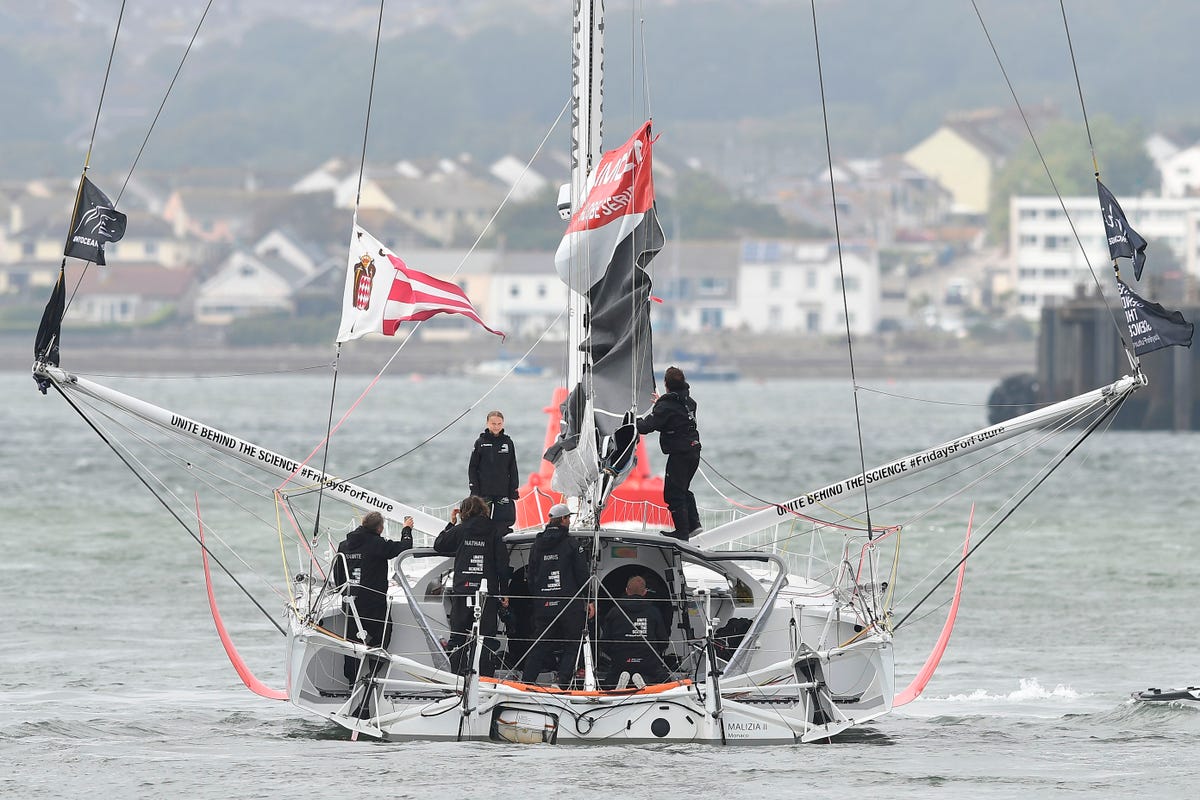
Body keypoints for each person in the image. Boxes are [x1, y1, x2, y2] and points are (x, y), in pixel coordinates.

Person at [332, 512, 414, 682]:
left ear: (362, 523)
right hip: (373, 603)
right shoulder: (377, 544)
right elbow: (405, 547)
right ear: (379, 528)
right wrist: (407, 529)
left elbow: (338, 572)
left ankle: (351, 680)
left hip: (350, 601)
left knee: (352, 642)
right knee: (383, 634)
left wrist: (343, 593)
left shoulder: (344, 545)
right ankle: (374, 674)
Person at [433, 495, 510, 677]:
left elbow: (439, 545)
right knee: (485, 639)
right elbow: (502, 564)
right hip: (486, 594)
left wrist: (451, 524)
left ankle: (456, 680)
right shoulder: (494, 531)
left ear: (464, 512)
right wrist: (504, 592)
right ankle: (483, 680)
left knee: (458, 637)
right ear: (483, 509)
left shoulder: (461, 530)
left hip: (462, 590)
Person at [520, 503, 594, 688]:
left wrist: (538, 598)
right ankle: (562, 682)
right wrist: (590, 599)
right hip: (569, 604)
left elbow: (531, 575)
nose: (569, 521)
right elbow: (582, 574)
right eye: (568, 517)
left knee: (541, 644)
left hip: (544, 603)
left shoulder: (537, 544)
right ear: (563, 520)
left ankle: (527, 681)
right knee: (573, 643)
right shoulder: (571, 544)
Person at [636, 365, 702, 539]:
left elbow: (645, 427)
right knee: (682, 489)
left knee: (673, 493)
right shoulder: (689, 402)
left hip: (680, 454)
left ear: (666, 384)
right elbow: (674, 415)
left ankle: (682, 532)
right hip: (694, 452)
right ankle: (694, 525)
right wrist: (661, 403)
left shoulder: (666, 406)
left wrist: (629, 419)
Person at [602, 574, 670, 688]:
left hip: (621, 660)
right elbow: (663, 640)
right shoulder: (653, 611)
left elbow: (605, 642)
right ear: (644, 592)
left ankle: (619, 682)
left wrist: (615, 655)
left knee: (611, 678)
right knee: (664, 679)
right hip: (648, 661)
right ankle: (643, 681)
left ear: (626, 591)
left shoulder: (614, 611)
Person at [469, 410, 521, 536]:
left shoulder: (508, 443)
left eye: (499, 423)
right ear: (487, 423)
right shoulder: (480, 442)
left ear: (503, 424)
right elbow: (472, 467)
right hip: (484, 490)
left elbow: (512, 466)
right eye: (493, 423)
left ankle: (500, 543)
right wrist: (474, 488)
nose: (496, 426)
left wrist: (513, 489)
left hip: (502, 490)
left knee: (503, 521)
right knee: (480, 520)